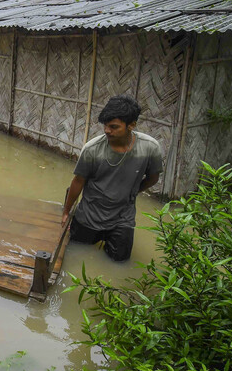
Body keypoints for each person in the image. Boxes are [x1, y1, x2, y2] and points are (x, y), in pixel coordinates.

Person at [60, 95, 163, 262]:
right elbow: (78, 181)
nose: (107, 130)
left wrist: (133, 191)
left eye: (114, 127)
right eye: (106, 126)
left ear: (132, 125)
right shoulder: (92, 149)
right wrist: (66, 211)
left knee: (119, 262)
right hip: (90, 214)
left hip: (123, 217)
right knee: (76, 254)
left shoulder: (149, 148)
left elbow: (153, 178)